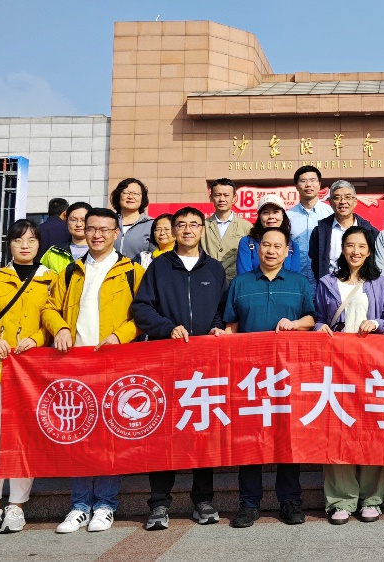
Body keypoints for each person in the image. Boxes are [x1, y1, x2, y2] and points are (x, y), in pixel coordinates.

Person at [44, 207, 145, 534]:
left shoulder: (132, 271)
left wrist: (120, 335)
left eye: (104, 229)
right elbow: (49, 307)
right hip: (75, 364)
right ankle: (79, 506)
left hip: (114, 363)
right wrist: (60, 327)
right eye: (91, 229)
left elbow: (144, 313)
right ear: (82, 231)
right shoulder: (70, 272)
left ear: (116, 233)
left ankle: (105, 504)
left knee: (110, 436)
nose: (97, 235)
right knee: (79, 434)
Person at [131, 206, 228, 531]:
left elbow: (221, 309)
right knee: (165, 434)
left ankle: (203, 500)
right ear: (173, 231)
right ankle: (159, 504)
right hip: (167, 362)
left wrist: (217, 327)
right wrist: (167, 327)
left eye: (194, 224)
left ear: (202, 229)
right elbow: (141, 308)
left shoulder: (214, 269)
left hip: (204, 365)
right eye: (181, 225)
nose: (187, 230)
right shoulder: (159, 267)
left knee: (202, 432)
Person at [0, 219, 55, 535]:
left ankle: (16, 505)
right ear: (10, 244)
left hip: (29, 372)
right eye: (18, 240)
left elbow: (53, 320)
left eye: (31, 240)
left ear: (39, 244)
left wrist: (38, 339)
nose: (25, 245)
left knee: (23, 439)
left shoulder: (50, 279)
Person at [221, 226, 316, 528]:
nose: (271, 251)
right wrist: (221, 337)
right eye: (266, 245)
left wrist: (295, 324)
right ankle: (249, 503)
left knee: (288, 437)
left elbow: (311, 318)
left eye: (278, 246)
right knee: (250, 439)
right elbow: (231, 325)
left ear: (288, 251)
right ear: (257, 248)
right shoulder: (241, 283)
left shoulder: (299, 282)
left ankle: (290, 500)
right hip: (249, 375)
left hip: (288, 374)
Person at [312, 226, 384, 524]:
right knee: (338, 430)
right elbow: (319, 317)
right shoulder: (327, 282)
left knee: (372, 430)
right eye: (350, 245)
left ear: (369, 251)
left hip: (370, 367)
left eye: (361, 246)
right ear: (342, 249)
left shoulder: (379, 282)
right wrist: (319, 327)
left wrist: (377, 324)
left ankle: (372, 498)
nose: (355, 251)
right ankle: (341, 500)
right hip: (336, 366)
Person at [309, 180, 379, 281]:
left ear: (355, 202)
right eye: (337, 198)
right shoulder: (320, 232)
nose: (343, 202)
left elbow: (375, 261)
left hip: (362, 285)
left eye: (347, 197)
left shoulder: (370, 231)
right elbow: (316, 263)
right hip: (330, 286)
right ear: (330, 202)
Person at [236, 194, 302, 275]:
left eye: (275, 212)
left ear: (283, 215)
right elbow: (244, 276)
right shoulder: (247, 242)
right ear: (260, 216)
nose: (271, 216)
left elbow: (294, 277)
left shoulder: (293, 246)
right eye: (266, 213)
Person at [288, 165, 333, 282]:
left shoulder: (330, 214)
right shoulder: (287, 217)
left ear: (319, 184)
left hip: (325, 279)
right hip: (296, 278)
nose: (308, 185)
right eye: (303, 181)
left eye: (313, 180)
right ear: (296, 186)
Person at [202, 177, 251, 281]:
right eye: (217, 195)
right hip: (207, 279)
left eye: (226, 195)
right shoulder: (202, 226)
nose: (222, 199)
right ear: (211, 198)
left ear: (234, 198)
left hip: (235, 280)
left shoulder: (247, 227)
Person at [40, 201, 91, 273]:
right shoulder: (53, 252)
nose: (78, 224)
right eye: (73, 220)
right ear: (66, 222)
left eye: (84, 220)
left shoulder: (102, 251)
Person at [112, 178, 155, 261]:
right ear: (118, 196)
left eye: (136, 194)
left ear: (142, 198)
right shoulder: (109, 222)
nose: (130, 197)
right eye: (126, 193)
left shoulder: (151, 224)